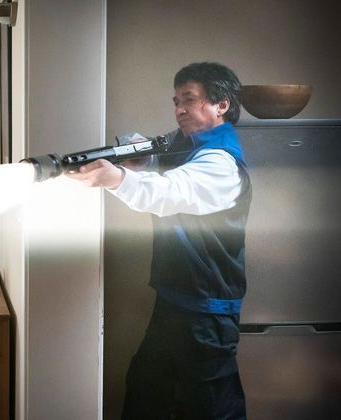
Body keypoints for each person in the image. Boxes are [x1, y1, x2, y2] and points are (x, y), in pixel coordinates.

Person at [67, 62, 252, 419]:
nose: (179, 109)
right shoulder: (188, 141)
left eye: (189, 99)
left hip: (208, 313)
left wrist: (115, 178)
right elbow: (159, 154)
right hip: (174, 301)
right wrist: (138, 152)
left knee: (210, 409)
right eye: (176, 101)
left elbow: (170, 190)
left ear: (221, 105)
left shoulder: (221, 162)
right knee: (146, 392)